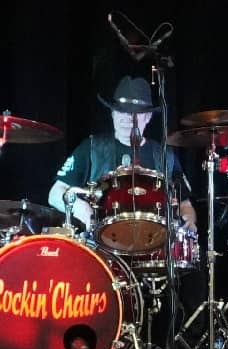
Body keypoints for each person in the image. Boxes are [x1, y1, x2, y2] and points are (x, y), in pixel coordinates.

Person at [47, 75, 198, 239]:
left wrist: (189, 221)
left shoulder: (165, 155)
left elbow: (185, 204)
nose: (127, 118)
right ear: (112, 113)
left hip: (154, 245)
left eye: (135, 113)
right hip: (101, 245)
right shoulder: (91, 148)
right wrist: (83, 209)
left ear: (147, 118)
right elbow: (55, 193)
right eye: (121, 111)